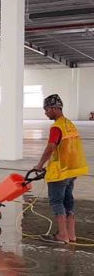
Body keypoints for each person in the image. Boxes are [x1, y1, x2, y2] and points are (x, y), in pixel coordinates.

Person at [34, 94, 89, 244]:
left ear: (54, 108)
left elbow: (50, 147)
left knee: (57, 202)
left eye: (46, 110)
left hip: (60, 172)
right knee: (68, 201)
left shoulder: (56, 127)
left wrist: (39, 165)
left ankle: (62, 235)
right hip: (71, 170)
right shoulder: (70, 124)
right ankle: (71, 235)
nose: (45, 113)